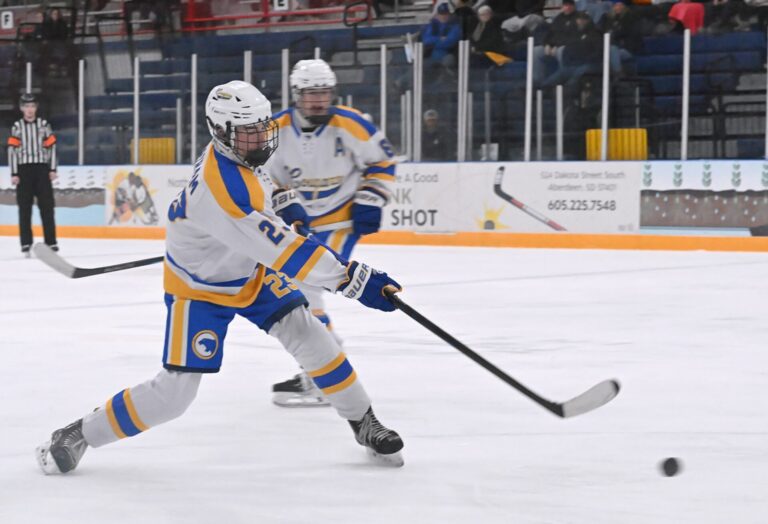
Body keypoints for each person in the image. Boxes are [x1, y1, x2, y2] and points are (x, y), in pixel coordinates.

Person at [35, 81, 406, 474]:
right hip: (198, 288)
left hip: (246, 272)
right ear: (221, 131)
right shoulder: (225, 190)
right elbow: (285, 252)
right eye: (249, 132)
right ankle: (79, 432)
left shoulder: (237, 152)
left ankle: (364, 421)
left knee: (314, 337)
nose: (261, 138)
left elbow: (263, 184)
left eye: (263, 127)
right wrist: (351, 279)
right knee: (175, 395)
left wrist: (285, 201)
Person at [264, 59, 397, 407]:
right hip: (296, 222)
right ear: (296, 95)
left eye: (324, 93)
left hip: (340, 220)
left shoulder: (351, 124)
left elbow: (382, 162)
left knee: (304, 287)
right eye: (310, 94)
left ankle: (322, 373)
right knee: (300, 291)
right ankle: (323, 368)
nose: (318, 101)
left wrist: (371, 198)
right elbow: (262, 175)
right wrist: (279, 206)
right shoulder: (275, 129)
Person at [7, 93, 58, 257]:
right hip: (24, 171)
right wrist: (14, 172)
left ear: (36, 108)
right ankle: (26, 244)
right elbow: (12, 151)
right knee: (24, 209)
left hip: (42, 169)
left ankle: (51, 242)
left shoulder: (44, 125)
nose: (29, 110)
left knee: (47, 207)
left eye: (32, 106)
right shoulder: (17, 126)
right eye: (26, 106)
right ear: (22, 108)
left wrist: (52, 169)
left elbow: (52, 148)